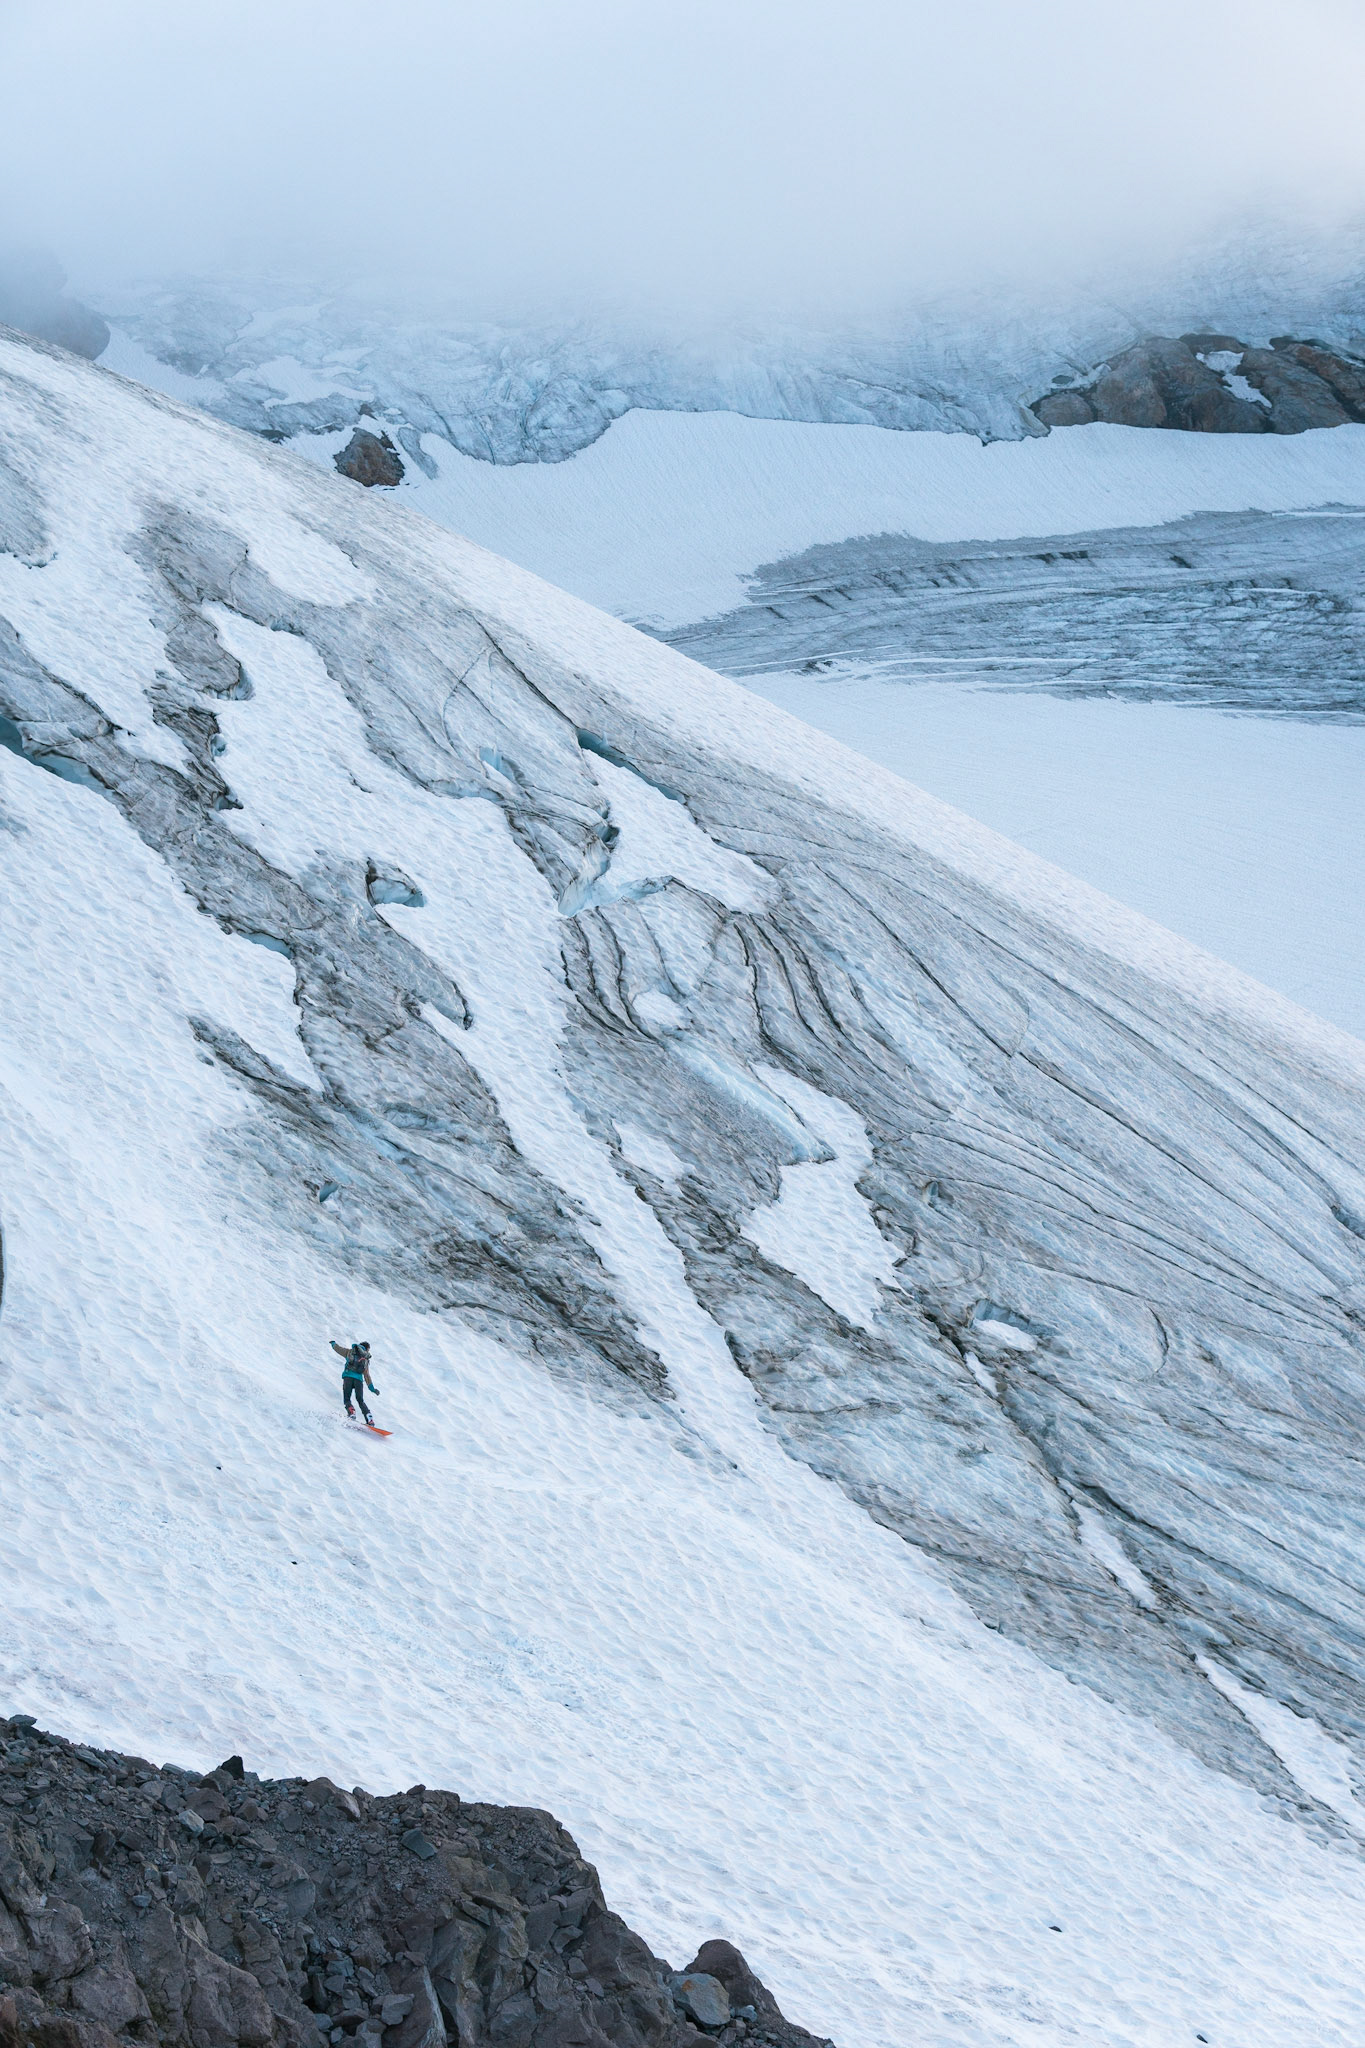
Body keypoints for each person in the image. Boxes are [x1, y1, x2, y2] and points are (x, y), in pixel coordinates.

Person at [331, 1339, 379, 1424]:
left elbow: (338, 1349)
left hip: (348, 1378)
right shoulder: (365, 1358)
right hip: (358, 1381)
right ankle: (369, 1418)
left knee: (347, 1398)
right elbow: (366, 1375)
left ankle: (351, 1411)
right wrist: (372, 1388)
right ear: (367, 1349)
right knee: (360, 1400)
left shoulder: (350, 1352)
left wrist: (333, 1343)